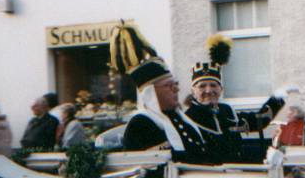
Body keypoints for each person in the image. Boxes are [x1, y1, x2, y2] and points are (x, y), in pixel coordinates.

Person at [109, 23, 209, 164]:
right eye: (169, 86)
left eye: (176, 84)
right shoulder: (141, 124)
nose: (176, 89)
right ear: (152, 94)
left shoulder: (179, 118)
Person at [185, 34, 284, 163]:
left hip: (236, 175)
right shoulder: (188, 118)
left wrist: (277, 99)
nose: (208, 91)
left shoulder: (226, 110)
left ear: (221, 89)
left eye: (213, 85)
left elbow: (258, 120)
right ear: (193, 91)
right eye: (202, 86)